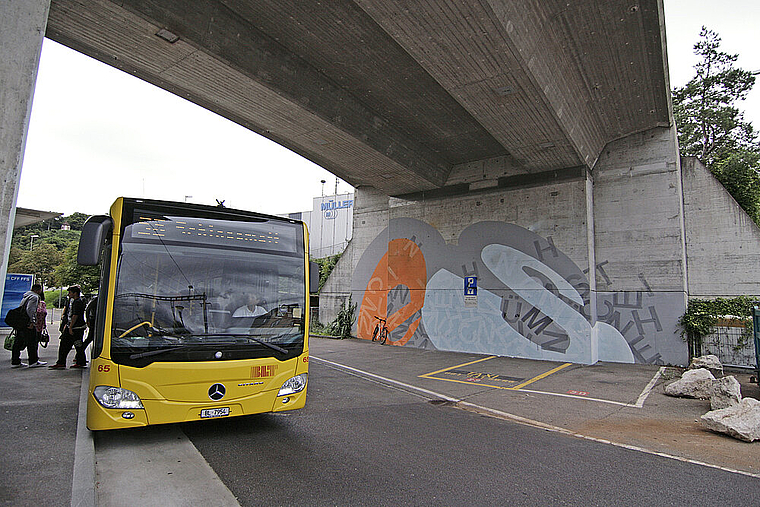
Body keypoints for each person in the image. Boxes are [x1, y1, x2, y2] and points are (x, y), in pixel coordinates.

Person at [49, 286, 87, 369]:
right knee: (65, 344)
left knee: (77, 344)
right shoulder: (72, 301)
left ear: (75, 293)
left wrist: (70, 327)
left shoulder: (78, 302)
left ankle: (79, 362)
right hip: (70, 326)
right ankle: (62, 362)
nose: (69, 294)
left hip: (76, 327)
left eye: (70, 292)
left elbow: (75, 315)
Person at [10, 283, 47, 368]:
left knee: (18, 341)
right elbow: (30, 309)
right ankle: (33, 361)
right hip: (27, 322)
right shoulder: (35, 297)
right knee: (32, 342)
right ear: (38, 290)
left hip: (21, 321)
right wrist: (32, 321)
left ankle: (15, 361)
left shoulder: (26, 296)